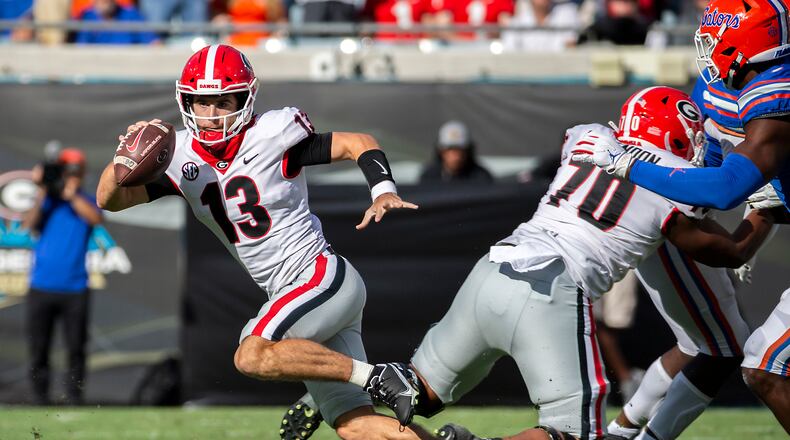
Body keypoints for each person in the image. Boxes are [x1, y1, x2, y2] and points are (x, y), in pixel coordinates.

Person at [365, 87, 776, 440]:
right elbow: (731, 251)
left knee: (418, 389)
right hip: (552, 289)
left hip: (494, 267)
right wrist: (767, 209)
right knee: (574, 434)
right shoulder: (672, 182)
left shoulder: (587, 137)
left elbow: (597, 158)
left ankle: (335, 392)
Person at [96, 44, 427, 440]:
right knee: (356, 426)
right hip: (291, 293)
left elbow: (359, 141)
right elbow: (109, 200)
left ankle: (379, 376)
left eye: (224, 102)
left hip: (319, 277)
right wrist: (124, 163)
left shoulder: (272, 137)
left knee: (251, 354)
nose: (213, 115)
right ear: (186, 102)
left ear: (245, 99)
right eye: (202, 103)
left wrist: (382, 190)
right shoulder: (179, 156)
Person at [578, 0, 790, 434]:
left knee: (763, 364)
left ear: (745, 45)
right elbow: (710, 164)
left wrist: (631, 165)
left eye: (716, 40)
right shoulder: (728, 85)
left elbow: (725, 188)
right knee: (751, 359)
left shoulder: (777, 92)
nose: (707, 49)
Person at [23, 146, 103, 405]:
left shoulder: (85, 201)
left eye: (74, 172)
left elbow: (95, 219)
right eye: (65, 172)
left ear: (81, 175)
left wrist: (71, 195)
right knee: (39, 348)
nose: (69, 177)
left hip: (75, 288)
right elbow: (29, 224)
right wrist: (43, 189)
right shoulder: (47, 201)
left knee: (76, 348)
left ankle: (74, 396)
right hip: (41, 286)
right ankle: (39, 398)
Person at [419, 121, 494, 184]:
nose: (456, 155)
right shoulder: (429, 177)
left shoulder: (481, 177)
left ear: (468, 151)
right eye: (450, 149)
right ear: (441, 151)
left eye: (460, 149)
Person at [75, 0, 159, 45]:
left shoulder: (131, 14)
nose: (104, 2)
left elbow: (153, 42)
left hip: (128, 68)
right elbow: (81, 48)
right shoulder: (87, 16)